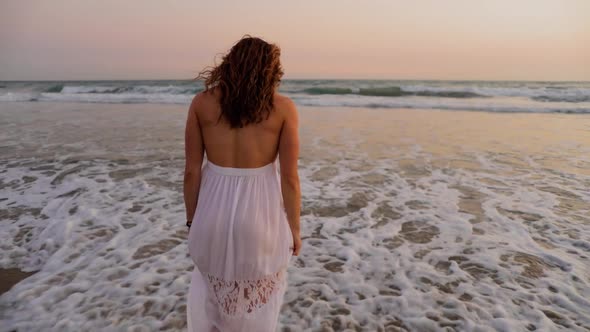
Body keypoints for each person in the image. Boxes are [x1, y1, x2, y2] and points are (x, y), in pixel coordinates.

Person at [183, 35, 302, 332]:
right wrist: (295, 230)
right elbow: (289, 177)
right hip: (260, 219)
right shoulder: (283, 108)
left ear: (231, 63)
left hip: (210, 215)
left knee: (211, 302)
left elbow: (191, 172)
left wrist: (191, 220)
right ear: (270, 70)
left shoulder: (201, 103)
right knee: (255, 307)